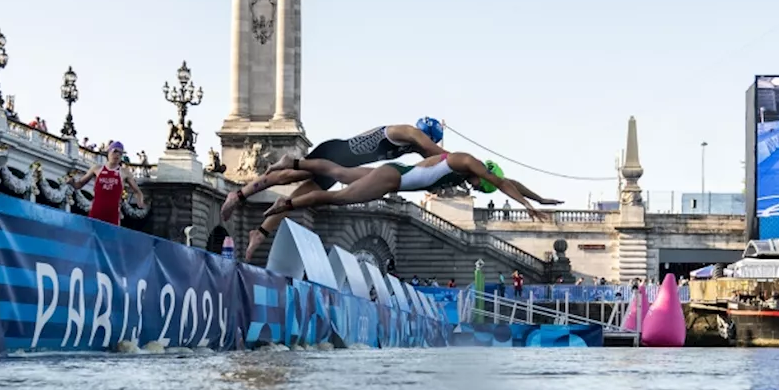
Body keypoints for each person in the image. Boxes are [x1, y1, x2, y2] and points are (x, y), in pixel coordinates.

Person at [222, 118, 448, 260]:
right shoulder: (408, 132)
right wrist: (460, 164)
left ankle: (259, 233)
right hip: (334, 153)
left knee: (296, 200)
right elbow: (433, 152)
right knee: (287, 175)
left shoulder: (409, 147)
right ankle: (239, 195)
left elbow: (428, 161)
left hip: (339, 166)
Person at [259, 152, 559, 222]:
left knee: (340, 171)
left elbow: (510, 181)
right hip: (393, 180)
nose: (477, 189)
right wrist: (528, 207)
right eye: (481, 186)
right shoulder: (465, 161)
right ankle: (285, 205)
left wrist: (540, 198)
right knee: (338, 198)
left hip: (397, 173)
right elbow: (502, 182)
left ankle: (292, 162)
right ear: (483, 172)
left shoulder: (464, 168)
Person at [67, 141, 145, 226]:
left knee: (110, 239)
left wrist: (140, 202)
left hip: (112, 216)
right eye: (115, 151)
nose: (117, 155)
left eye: (120, 153)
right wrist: (72, 182)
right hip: (96, 213)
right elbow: (79, 184)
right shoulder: (97, 169)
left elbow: (137, 191)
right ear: (109, 152)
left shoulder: (124, 173)